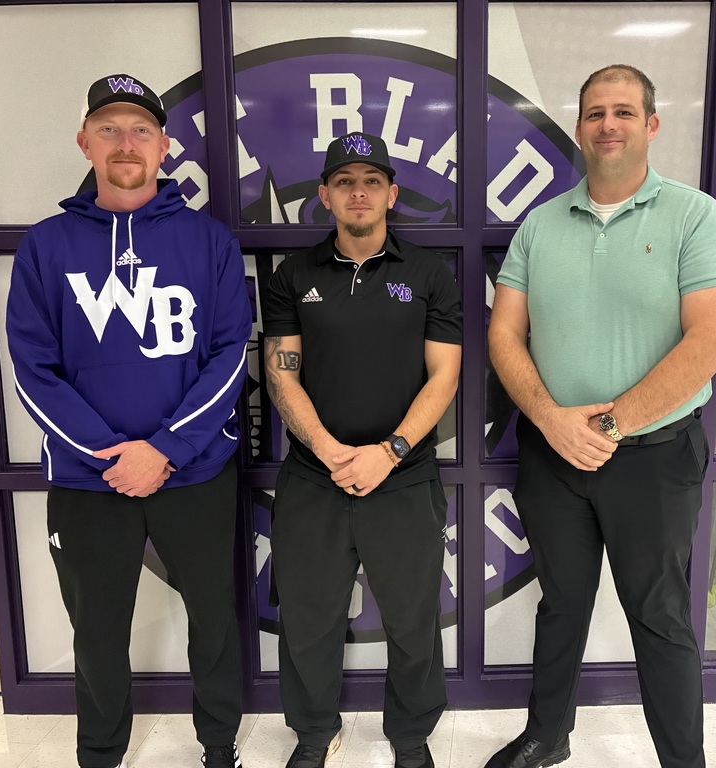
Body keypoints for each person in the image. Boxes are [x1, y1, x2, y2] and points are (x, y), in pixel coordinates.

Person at [485, 65, 716, 768]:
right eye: (595, 112)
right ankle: (548, 735)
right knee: (561, 603)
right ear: (579, 128)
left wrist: (607, 426)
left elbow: (711, 341)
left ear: (651, 125)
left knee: (660, 617)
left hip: (654, 457)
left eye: (624, 112)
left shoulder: (695, 216)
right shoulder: (540, 225)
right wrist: (551, 419)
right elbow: (504, 333)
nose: (608, 125)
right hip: (553, 453)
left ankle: (682, 761)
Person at [6, 74, 251, 768]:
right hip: (89, 481)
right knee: (97, 629)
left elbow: (231, 353)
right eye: (108, 129)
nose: (125, 143)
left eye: (141, 130)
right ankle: (100, 753)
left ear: (164, 147)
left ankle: (218, 747)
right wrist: (111, 454)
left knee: (214, 619)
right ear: (84, 142)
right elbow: (33, 368)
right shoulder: (46, 246)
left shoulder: (209, 242)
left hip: (194, 473)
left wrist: (166, 449)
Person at [262, 132, 462, 768]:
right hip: (313, 479)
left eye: (372, 181)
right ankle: (313, 733)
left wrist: (389, 451)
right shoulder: (293, 275)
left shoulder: (429, 274)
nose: (358, 192)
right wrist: (328, 450)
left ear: (391, 194)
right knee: (308, 619)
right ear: (324, 195)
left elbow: (445, 376)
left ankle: (410, 737)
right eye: (344, 182)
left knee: (412, 620)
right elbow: (282, 372)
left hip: (403, 479)